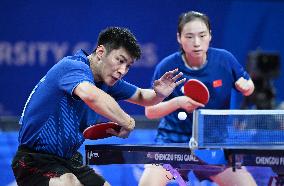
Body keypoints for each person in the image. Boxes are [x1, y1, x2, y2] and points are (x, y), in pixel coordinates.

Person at [11, 27, 185, 186]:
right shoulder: (72, 67)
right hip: (33, 159)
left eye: (128, 66)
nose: (122, 70)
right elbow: (91, 95)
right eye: (120, 60)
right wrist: (127, 121)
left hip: (69, 159)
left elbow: (142, 96)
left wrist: (159, 94)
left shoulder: (107, 81)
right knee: (67, 183)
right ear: (101, 52)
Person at [139, 11, 256, 186]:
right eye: (189, 36)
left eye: (202, 35)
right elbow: (150, 111)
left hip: (213, 145)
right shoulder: (167, 66)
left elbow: (249, 85)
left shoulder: (225, 60)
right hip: (171, 145)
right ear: (179, 38)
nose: (196, 43)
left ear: (210, 35)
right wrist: (177, 102)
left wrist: (247, 87)